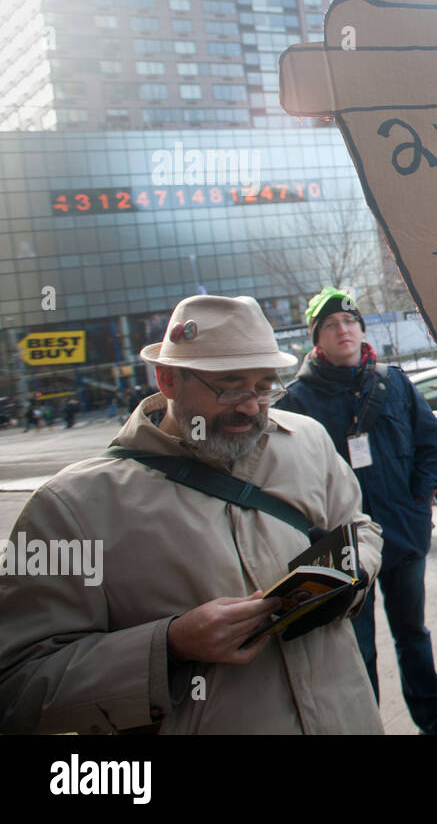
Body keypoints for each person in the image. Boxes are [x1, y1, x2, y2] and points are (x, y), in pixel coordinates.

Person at [0, 295, 384, 733]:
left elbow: (360, 528)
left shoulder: (309, 440)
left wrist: (347, 578)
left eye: (263, 386)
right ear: (167, 380)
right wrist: (170, 645)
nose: (250, 406)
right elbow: (17, 687)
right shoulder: (72, 507)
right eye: (230, 385)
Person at [277, 287, 437, 736]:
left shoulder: (394, 384)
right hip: (341, 549)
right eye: (331, 325)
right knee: (356, 647)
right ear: (317, 339)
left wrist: (415, 504)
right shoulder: (296, 402)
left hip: (402, 539)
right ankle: (362, 726)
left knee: (413, 636)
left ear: (361, 329)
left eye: (350, 322)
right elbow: (283, 481)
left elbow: (432, 449)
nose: (343, 331)